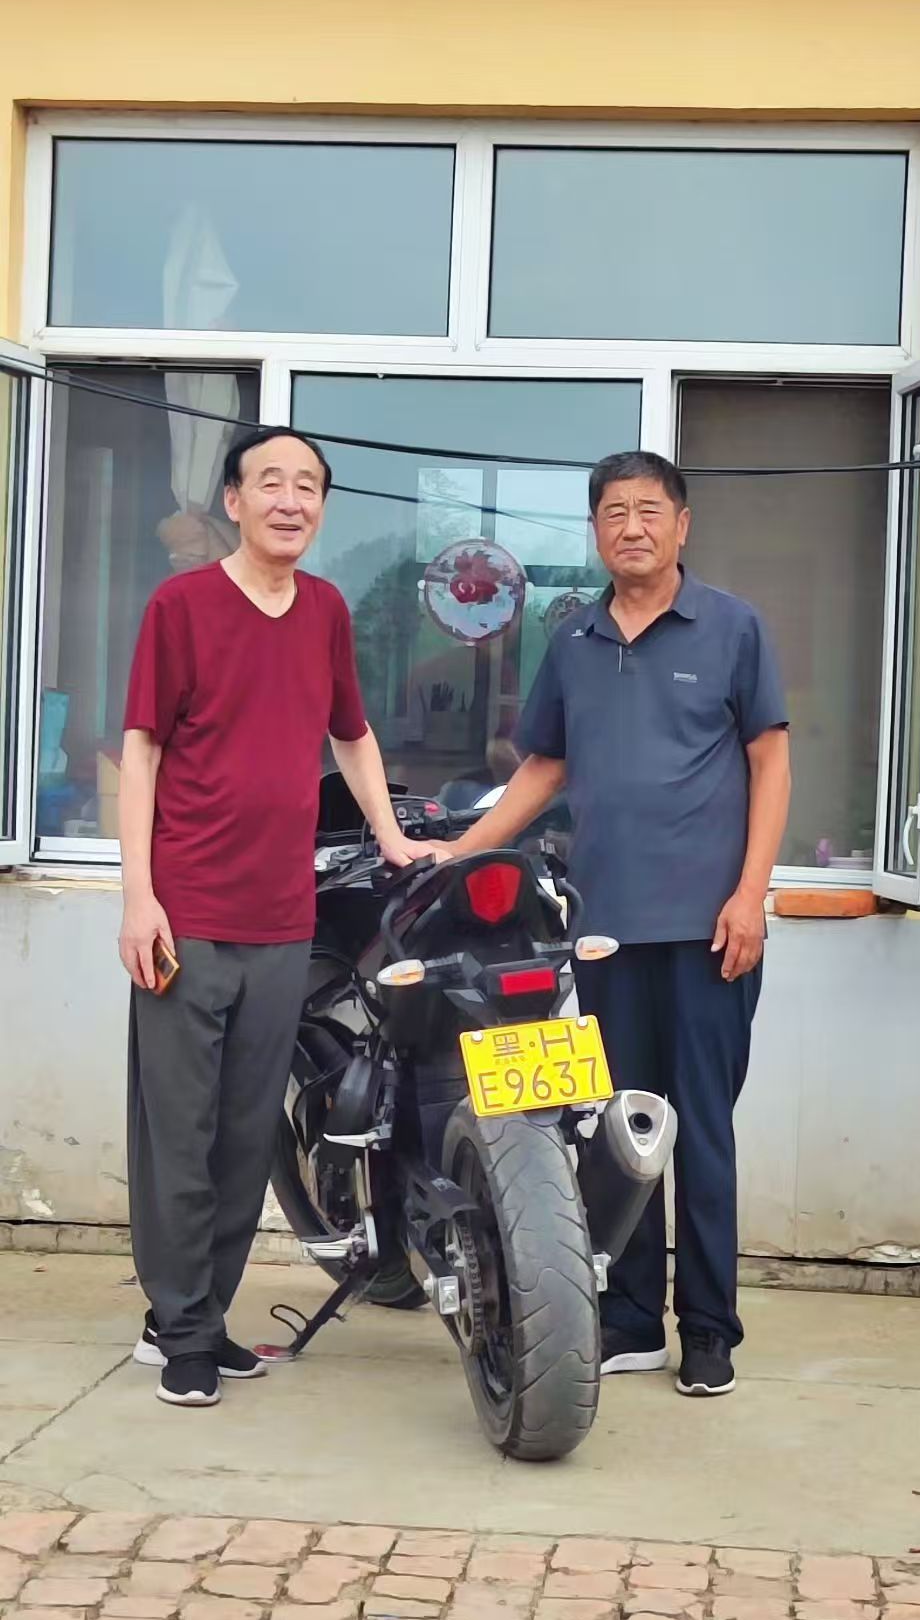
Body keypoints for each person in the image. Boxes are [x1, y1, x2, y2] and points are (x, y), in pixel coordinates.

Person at [445, 450, 790, 1399]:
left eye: (649, 510)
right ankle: (632, 1317)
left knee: (701, 1128)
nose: (631, 527)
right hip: (602, 931)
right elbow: (545, 770)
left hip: (710, 931)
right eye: (613, 512)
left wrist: (751, 894)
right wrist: (458, 852)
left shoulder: (732, 627)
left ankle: (709, 1329)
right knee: (619, 1129)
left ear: (682, 524)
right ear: (595, 530)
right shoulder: (575, 641)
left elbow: (770, 761)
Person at [118, 424, 435, 1410]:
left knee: (247, 1132)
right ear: (235, 500)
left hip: (283, 917)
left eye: (308, 485)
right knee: (180, 1131)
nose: (290, 499)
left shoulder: (326, 609)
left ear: (321, 507)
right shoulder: (182, 606)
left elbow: (353, 733)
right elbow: (142, 750)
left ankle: (198, 1313)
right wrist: (139, 895)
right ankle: (181, 1330)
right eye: (271, 482)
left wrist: (393, 836)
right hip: (187, 912)